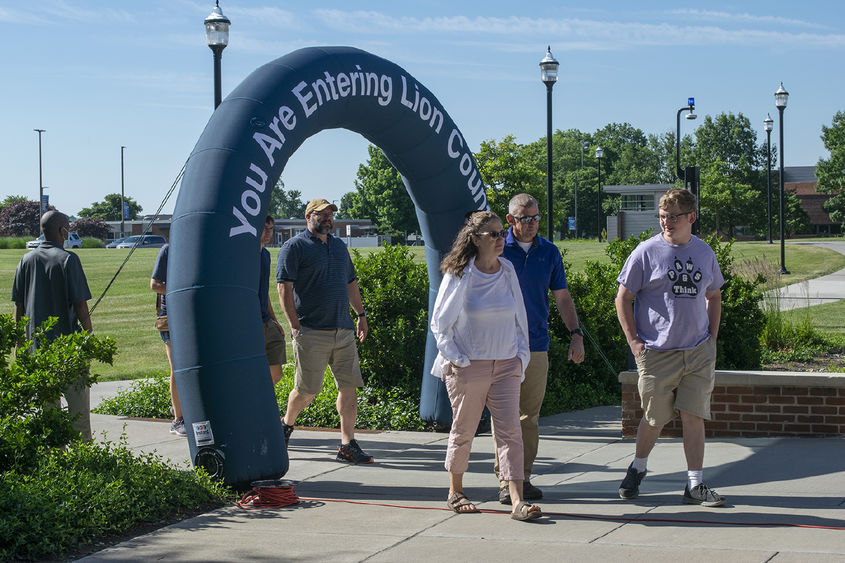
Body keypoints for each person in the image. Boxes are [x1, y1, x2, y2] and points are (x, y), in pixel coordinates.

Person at [614, 188, 726, 507]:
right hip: (657, 353)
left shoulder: (704, 253)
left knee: (693, 416)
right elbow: (623, 297)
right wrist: (634, 342)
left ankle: (695, 485)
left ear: (691, 217)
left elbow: (714, 296)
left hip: (697, 352)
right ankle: (638, 467)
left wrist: (711, 340)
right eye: (662, 217)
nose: (667, 223)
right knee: (655, 419)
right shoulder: (646, 252)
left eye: (674, 217)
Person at [430, 210, 542, 521]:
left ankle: (517, 500)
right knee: (463, 430)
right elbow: (440, 324)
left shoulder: (507, 270)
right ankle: (455, 490)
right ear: (475, 239)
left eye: (501, 233)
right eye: (493, 234)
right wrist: (459, 360)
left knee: (511, 433)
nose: (500, 239)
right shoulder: (460, 274)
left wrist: (521, 357)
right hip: (469, 366)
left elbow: (520, 317)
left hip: (507, 364)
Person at [495, 193, 585, 504]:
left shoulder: (549, 251)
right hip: (501, 345)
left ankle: (523, 476)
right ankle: (507, 481)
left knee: (528, 417)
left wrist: (575, 334)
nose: (532, 224)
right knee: (505, 417)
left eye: (536, 218)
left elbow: (562, 296)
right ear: (511, 220)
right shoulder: (497, 249)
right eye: (525, 218)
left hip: (536, 344)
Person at [276, 198, 373, 464]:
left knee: (349, 386)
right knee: (307, 390)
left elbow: (351, 283)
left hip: (343, 330)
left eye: (331, 214)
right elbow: (284, 287)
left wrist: (361, 315)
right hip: (311, 330)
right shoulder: (294, 247)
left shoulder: (339, 247)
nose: (329, 218)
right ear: (309, 217)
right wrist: (294, 325)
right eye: (323, 214)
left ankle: (347, 444)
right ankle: (285, 426)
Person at [12, 210, 93, 440]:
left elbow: (19, 308)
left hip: (37, 350)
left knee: (49, 417)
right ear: (62, 231)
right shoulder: (69, 259)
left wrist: (20, 343)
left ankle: (54, 461)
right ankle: (83, 463)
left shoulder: (25, 260)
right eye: (67, 228)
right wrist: (90, 337)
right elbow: (81, 307)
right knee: (78, 417)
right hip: (68, 351)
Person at [150, 243, 185, 436]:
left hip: (192, 315)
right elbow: (155, 284)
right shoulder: (168, 250)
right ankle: (178, 420)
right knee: (177, 367)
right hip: (170, 316)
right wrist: (181, 290)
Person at [260, 215, 285, 385]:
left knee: (277, 373)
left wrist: (274, 320)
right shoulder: (245, 255)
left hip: (266, 320)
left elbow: (264, 291)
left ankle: (258, 404)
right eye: (265, 228)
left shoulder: (266, 255)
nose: (269, 233)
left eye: (271, 229)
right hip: (250, 323)